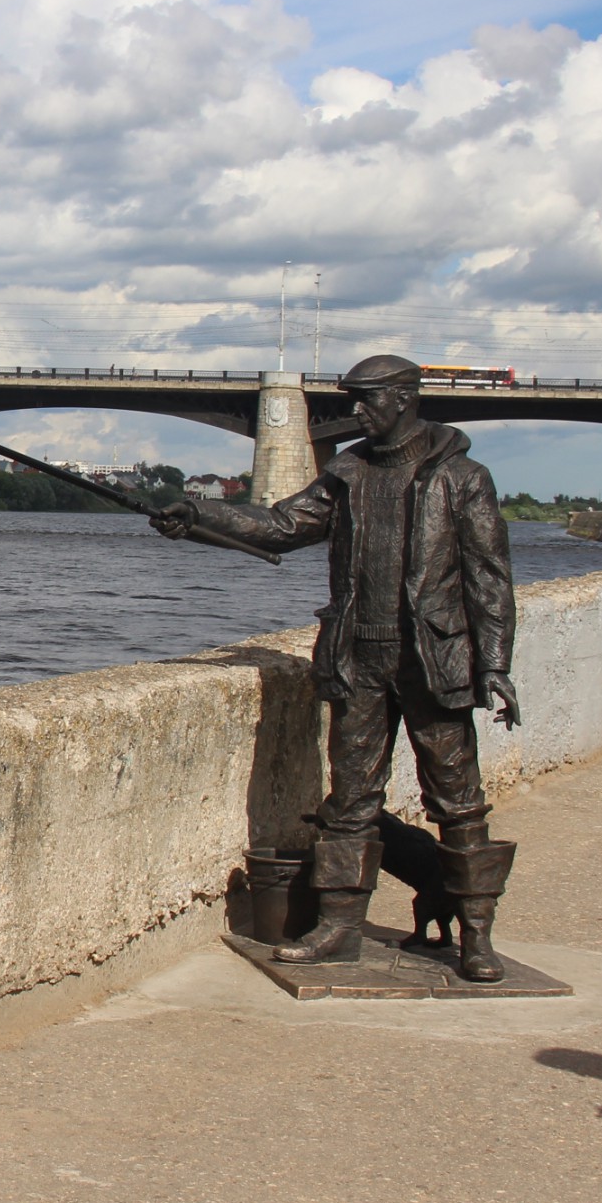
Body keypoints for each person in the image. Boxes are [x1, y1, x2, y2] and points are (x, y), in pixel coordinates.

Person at [151, 354, 519, 981]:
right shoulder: (348, 474)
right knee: (349, 800)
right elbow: (280, 525)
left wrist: (494, 665)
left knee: (458, 800)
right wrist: (201, 513)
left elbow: (489, 579)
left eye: (366, 399)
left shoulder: (463, 478)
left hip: (435, 663)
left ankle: (476, 935)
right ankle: (339, 927)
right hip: (359, 659)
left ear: (403, 399)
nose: (355, 412)